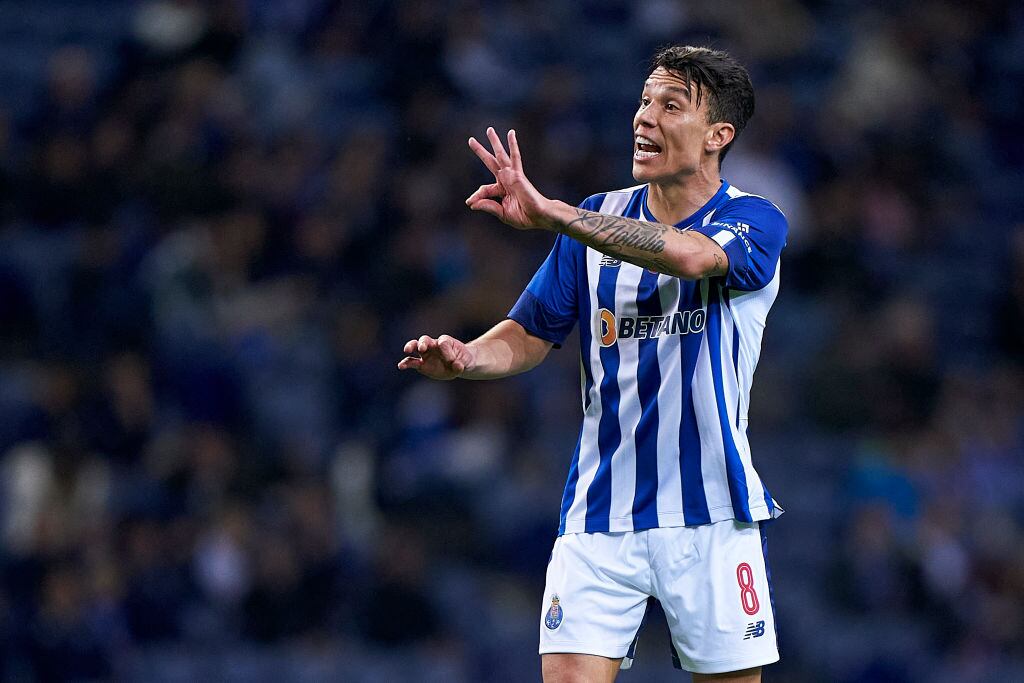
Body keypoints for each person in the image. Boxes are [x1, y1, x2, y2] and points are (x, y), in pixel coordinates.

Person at [398, 45, 786, 683]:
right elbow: (530, 332)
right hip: (599, 516)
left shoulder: (754, 220)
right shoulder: (595, 219)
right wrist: (468, 359)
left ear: (719, 135)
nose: (644, 118)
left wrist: (552, 212)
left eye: (670, 106)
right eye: (643, 101)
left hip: (712, 513)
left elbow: (689, 258)